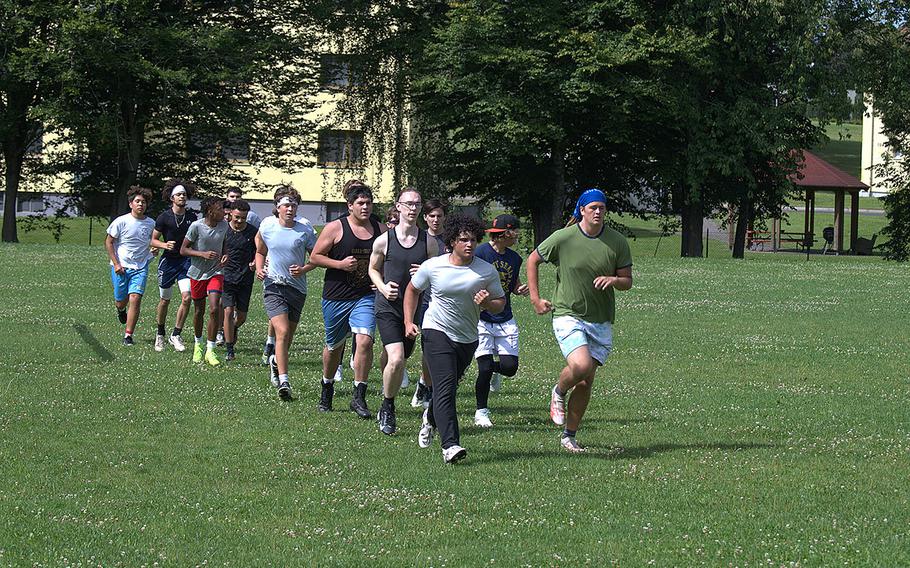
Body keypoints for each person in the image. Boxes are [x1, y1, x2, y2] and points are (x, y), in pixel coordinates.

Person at [526, 188, 633, 453]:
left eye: (602, 208)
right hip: (567, 313)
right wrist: (536, 299)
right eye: (593, 207)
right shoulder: (564, 238)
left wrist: (615, 280)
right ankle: (559, 391)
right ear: (582, 210)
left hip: (601, 320)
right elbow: (533, 260)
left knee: (586, 380)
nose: (598, 212)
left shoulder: (617, 242)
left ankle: (569, 436)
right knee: (581, 365)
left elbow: (627, 281)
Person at [404, 213, 505, 464]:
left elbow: (500, 303)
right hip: (435, 330)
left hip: (467, 338)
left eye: (472, 239)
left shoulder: (485, 270)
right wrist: (409, 321)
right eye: (463, 240)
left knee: (446, 389)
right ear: (451, 241)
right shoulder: (434, 266)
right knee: (446, 388)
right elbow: (412, 289)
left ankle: (430, 417)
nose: (469, 244)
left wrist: (488, 303)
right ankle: (450, 445)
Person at [310, 180, 385, 418]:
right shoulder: (335, 228)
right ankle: (327, 386)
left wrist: (380, 279)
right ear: (350, 205)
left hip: (365, 295)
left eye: (369, 203)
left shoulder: (381, 229)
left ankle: (359, 396)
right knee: (334, 346)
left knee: (364, 340)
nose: (365, 207)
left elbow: (389, 258)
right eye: (360, 203)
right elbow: (315, 257)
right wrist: (339, 264)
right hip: (337, 295)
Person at [368, 188, 438, 435]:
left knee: (400, 358)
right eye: (408, 204)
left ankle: (389, 378)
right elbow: (373, 270)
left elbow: (435, 275)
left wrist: (424, 274)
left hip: (415, 309)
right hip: (387, 306)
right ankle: (387, 407)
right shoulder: (384, 240)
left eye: (417, 204)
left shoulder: (428, 242)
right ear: (398, 207)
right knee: (396, 359)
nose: (412, 208)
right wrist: (383, 287)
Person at [255, 186, 318, 399]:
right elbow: (260, 251)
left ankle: (275, 361)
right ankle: (284, 381)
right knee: (281, 333)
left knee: (287, 337)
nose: (290, 209)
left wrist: (304, 269)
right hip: (273, 285)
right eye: (286, 205)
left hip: (297, 288)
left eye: (293, 205)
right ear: (277, 208)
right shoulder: (267, 226)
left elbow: (316, 257)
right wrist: (259, 268)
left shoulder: (305, 229)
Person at [472, 214, 529, 428]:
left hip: (505, 318)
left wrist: (520, 289)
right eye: (515, 231)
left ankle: (496, 371)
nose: (517, 236)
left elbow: (512, 285)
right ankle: (481, 412)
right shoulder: (480, 254)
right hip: (482, 319)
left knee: (510, 368)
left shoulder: (515, 258)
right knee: (484, 369)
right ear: (506, 233)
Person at [105, 186, 157, 346]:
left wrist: (155, 249)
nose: (141, 204)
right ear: (131, 204)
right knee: (121, 301)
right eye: (138, 201)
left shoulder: (151, 224)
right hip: (121, 267)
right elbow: (109, 242)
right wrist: (116, 264)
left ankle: (128, 335)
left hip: (140, 267)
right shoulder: (121, 221)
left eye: (143, 202)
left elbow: (153, 241)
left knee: (135, 298)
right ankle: (121, 310)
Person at [180, 196, 229, 366]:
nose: (224, 212)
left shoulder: (224, 226)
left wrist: (225, 256)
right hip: (197, 273)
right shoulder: (196, 226)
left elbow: (225, 245)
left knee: (215, 308)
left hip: (216, 271)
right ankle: (198, 345)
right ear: (210, 211)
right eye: (221, 209)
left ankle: (211, 349)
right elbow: (183, 250)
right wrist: (202, 254)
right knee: (199, 311)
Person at [410, 198, 449, 409]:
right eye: (431, 216)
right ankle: (426, 382)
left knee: (436, 346)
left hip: (443, 301)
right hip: (420, 298)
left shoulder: (450, 241)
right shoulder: (418, 239)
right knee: (427, 347)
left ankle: (428, 386)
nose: (435, 220)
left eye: (439, 216)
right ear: (424, 218)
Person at [151, 179, 198, 352]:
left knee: (187, 297)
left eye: (184, 195)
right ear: (172, 198)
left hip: (185, 262)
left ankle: (176, 334)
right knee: (165, 300)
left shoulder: (192, 217)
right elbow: (153, 239)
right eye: (179, 194)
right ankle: (160, 333)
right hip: (168, 262)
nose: (182, 197)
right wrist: (163, 245)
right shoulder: (164, 217)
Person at [221, 198, 258, 361]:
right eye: (237, 217)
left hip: (245, 277)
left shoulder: (253, 232)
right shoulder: (223, 231)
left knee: (241, 317)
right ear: (231, 215)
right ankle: (230, 350)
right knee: (228, 311)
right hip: (227, 277)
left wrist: (256, 262)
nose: (239, 220)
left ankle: (232, 328)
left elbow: (261, 251)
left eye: (243, 217)